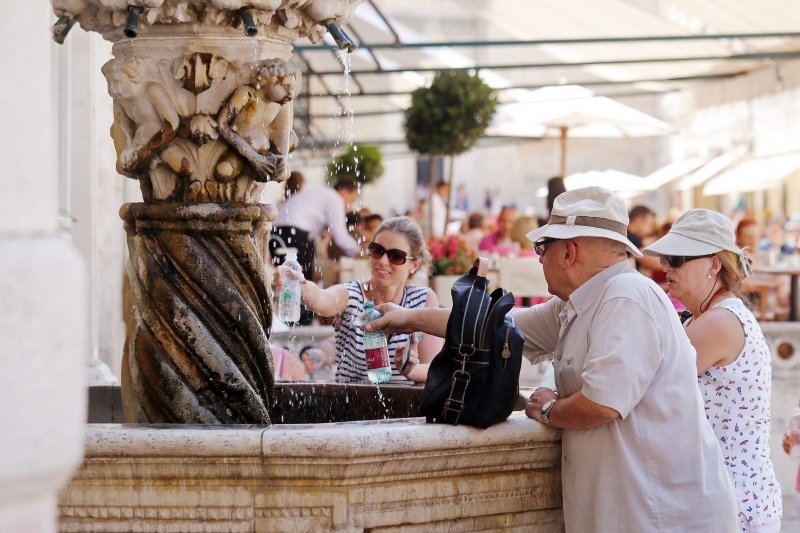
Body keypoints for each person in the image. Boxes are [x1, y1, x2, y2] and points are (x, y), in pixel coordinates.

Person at [366, 186, 737, 532]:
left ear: (569, 252)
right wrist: (407, 316)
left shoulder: (625, 297)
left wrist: (546, 409)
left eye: (542, 249)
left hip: (662, 516)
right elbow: (492, 326)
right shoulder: (578, 302)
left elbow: (602, 404)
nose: (539, 259)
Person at [643, 209, 782, 531]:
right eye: (665, 257)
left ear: (713, 265)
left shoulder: (718, 322)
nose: (665, 266)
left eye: (676, 258)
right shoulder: (706, 317)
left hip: (734, 505)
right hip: (728, 500)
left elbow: (641, 388)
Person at [274, 216, 443, 383]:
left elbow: (435, 368)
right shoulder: (352, 294)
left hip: (406, 407)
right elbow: (322, 299)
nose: (383, 261)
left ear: (414, 265)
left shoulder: (423, 299)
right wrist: (299, 284)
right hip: (352, 406)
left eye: (396, 256)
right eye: (377, 250)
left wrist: (410, 370)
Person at [269, 179, 360, 324]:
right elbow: (340, 235)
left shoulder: (318, 193)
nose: (349, 205)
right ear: (344, 191)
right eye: (351, 199)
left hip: (278, 234)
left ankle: (287, 325)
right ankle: (301, 327)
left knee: (286, 282)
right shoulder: (334, 198)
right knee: (301, 282)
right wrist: (360, 252)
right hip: (295, 234)